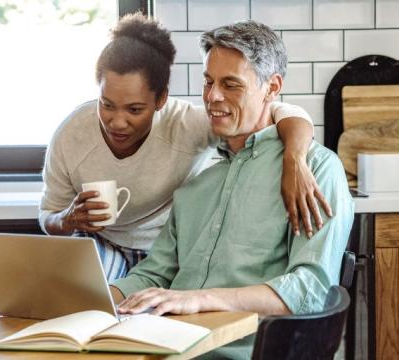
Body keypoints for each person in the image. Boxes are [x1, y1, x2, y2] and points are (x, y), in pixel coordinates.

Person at [111, 20, 354, 359]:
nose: (212, 96)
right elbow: (155, 273)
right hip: (163, 347)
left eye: (231, 85)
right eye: (208, 82)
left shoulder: (314, 171)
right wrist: (102, 294)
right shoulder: (197, 184)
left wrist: (200, 298)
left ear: (272, 88)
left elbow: (309, 289)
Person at [39, 14, 331, 282]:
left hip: (165, 252)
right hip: (104, 244)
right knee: (80, 304)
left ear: (161, 100)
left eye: (135, 109)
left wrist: (295, 160)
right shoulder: (71, 136)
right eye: (107, 105)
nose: (117, 122)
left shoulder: (187, 125)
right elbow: (47, 216)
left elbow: (285, 112)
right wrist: (66, 219)